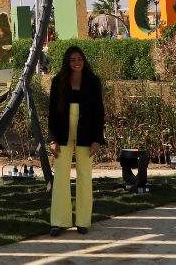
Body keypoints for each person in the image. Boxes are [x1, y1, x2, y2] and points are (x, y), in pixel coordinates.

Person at [47, 45, 106, 236]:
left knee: (84, 176)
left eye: (79, 59)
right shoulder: (58, 81)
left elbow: (99, 112)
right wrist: (53, 139)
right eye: (72, 60)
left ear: (84, 60)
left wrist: (97, 139)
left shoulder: (93, 81)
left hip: (86, 133)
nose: (76, 62)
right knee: (61, 176)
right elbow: (52, 113)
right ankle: (59, 222)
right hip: (63, 132)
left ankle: (83, 221)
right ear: (67, 62)